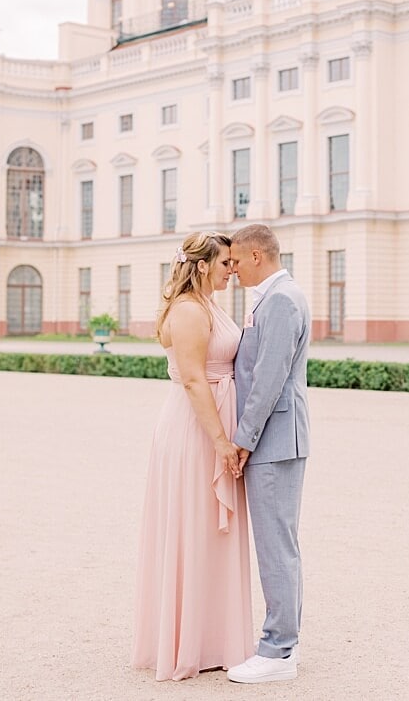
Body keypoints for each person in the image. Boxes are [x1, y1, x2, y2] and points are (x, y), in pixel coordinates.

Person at [131, 231, 252, 681]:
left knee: (210, 534)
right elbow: (194, 380)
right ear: (202, 265)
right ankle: (190, 643)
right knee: (194, 528)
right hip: (195, 430)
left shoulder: (210, 306)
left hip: (213, 422)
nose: (232, 271)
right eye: (225, 264)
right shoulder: (187, 311)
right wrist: (222, 441)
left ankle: (214, 637)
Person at [226, 224, 311, 684]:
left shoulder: (280, 300)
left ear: (257, 256)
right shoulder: (278, 295)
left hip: (275, 439)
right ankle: (282, 645)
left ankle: (278, 650)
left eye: (236, 260)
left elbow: (268, 379)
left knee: (276, 547)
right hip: (278, 437)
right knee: (281, 544)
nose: (233, 268)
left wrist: (242, 439)